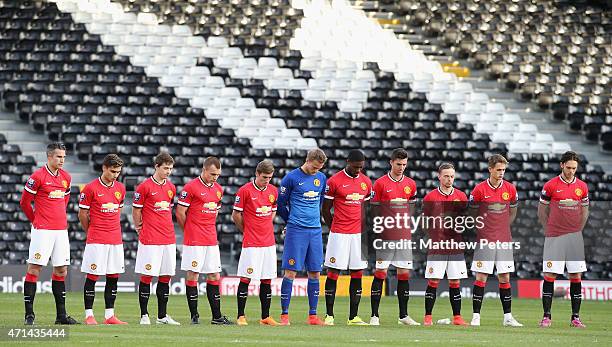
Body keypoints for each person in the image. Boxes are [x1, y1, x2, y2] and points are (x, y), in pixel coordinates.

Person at [20, 142, 78, 325]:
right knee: (34, 269)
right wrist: (36, 220)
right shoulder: (37, 177)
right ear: (49, 157)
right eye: (58, 156)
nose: (62, 160)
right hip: (42, 231)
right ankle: (29, 315)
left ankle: (61, 316)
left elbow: (65, 199)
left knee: (61, 270)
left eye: (63, 157)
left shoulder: (66, 177)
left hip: (60, 231)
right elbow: (24, 202)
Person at [176, 157, 232, 325]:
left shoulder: (218, 189)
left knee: (214, 274)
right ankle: (194, 316)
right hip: (194, 238)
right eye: (212, 174)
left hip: (210, 238)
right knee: (194, 273)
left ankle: (216, 316)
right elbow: (180, 213)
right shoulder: (190, 187)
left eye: (218, 175)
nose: (215, 177)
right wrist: (189, 231)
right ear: (204, 170)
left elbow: (215, 212)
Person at [468, 154, 522, 327]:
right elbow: (472, 213)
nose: (501, 173)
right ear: (490, 169)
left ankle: (508, 317)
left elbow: (513, 210)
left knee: (504, 277)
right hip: (486, 239)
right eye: (498, 170)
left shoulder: (510, 189)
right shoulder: (479, 190)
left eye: (503, 170)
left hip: (504, 239)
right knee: (481, 276)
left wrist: (505, 225)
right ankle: (476, 316)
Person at [537, 151, 589, 328]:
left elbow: (585, 210)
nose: (571, 171)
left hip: (574, 237)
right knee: (550, 275)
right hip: (555, 237)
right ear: (561, 165)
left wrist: (578, 230)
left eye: (574, 168)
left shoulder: (582, 186)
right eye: (568, 167)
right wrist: (549, 229)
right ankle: (546, 316)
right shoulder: (551, 185)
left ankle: (575, 317)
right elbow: (541, 211)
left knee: (576, 275)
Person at [369, 148, 420, 326]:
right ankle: (374, 316)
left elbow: (412, 206)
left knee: (404, 274)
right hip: (386, 235)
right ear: (391, 162)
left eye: (404, 165)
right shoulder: (380, 183)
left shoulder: (411, 184)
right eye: (398, 164)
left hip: (404, 235)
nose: (401, 168)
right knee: (381, 273)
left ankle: (403, 316)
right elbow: (374, 210)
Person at [277, 148, 328, 326]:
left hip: (314, 230)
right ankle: (284, 316)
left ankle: (313, 316)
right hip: (296, 230)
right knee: (290, 272)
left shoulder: (321, 178)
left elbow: (321, 200)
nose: (316, 171)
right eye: (314, 167)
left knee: (315, 272)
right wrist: (290, 220)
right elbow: (281, 204)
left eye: (319, 168)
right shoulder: (290, 178)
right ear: (307, 160)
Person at [322, 149, 372, 326]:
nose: (358, 170)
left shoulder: (366, 182)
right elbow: (325, 209)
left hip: (358, 235)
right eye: (355, 166)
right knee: (334, 272)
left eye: (361, 167)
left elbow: (366, 210)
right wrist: (334, 227)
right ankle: (329, 315)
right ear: (347, 162)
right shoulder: (334, 181)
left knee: (357, 273)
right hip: (339, 234)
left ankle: (353, 317)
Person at [79, 154, 128, 325]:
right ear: (104, 168)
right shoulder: (90, 188)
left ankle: (109, 316)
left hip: (115, 239)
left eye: (118, 172)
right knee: (93, 276)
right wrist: (91, 231)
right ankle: (89, 315)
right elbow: (82, 214)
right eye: (113, 171)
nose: (116, 175)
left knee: (113, 276)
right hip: (97, 239)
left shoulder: (121, 188)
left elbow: (118, 211)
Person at [133, 152, 179, 325]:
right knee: (147, 276)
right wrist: (139, 228)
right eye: (165, 168)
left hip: (168, 237)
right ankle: (144, 315)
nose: (168, 171)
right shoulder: (144, 187)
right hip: (150, 238)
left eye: (170, 169)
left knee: (165, 276)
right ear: (157, 166)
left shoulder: (171, 188)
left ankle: (162, 316)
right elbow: (136, 210)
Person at [232, 160, 279, 326]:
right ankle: (241, 316)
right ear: (257, 174)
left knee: (267, 279)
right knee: (246, 278)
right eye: (264, 177)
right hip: (251, 243)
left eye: (270, 177)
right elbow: (236, 215)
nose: (267, 180)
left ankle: (265, 317)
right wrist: (247, 230)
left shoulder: (273, 191)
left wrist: (266, 226)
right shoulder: (245, 190)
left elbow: (273, 210)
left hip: (268, 243)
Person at [421, 163, 469, 326]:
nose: (449, 179)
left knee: (455, 282)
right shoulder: (430, 197)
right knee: (433, 281)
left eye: (452, 176)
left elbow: (466, 220)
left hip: (455, 246)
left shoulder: (462, 196)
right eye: (446, 176)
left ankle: (457, 317)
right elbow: (424, 222)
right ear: (439, 176)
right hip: (437, 247)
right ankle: (428, 317)